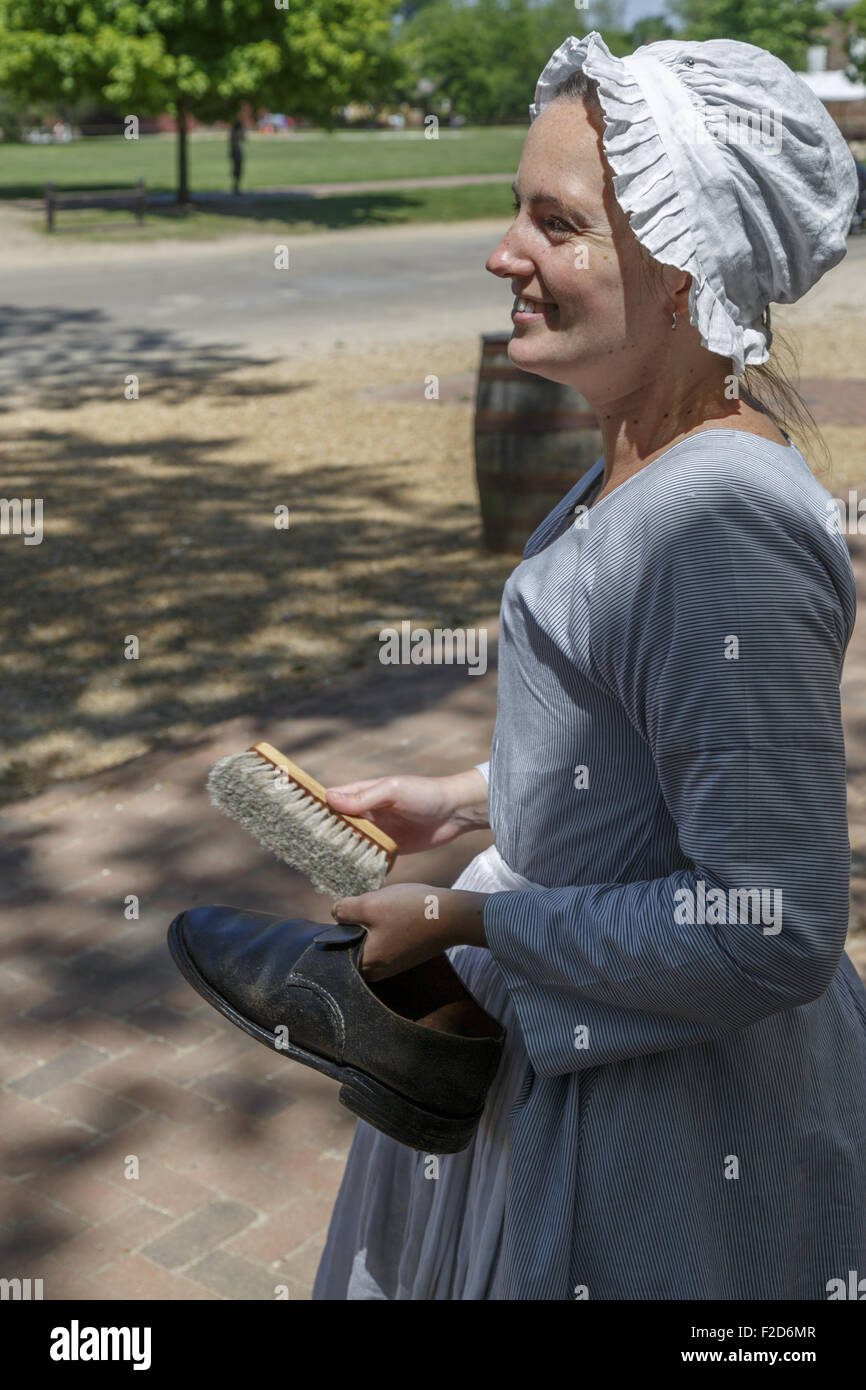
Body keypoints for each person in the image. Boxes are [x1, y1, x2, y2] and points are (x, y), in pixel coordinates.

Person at [311, 31, 866, 1300]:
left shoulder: (718, 516)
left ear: (681, 269)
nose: (504, 252)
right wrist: (464, 798)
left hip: (661, 1116)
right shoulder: (640, 448)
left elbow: (771, 927)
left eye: (553, 223)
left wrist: (465, 917)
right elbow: (646, 756)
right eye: (518, 210)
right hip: (581, 1039)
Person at [229, 119, 244, 195]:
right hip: (236, 152)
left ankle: (236, 186)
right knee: (237, 170)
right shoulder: (235, 132)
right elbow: (243, 139)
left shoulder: (232, 131)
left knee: (237, 170)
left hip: (234, 152)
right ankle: (236, 187)